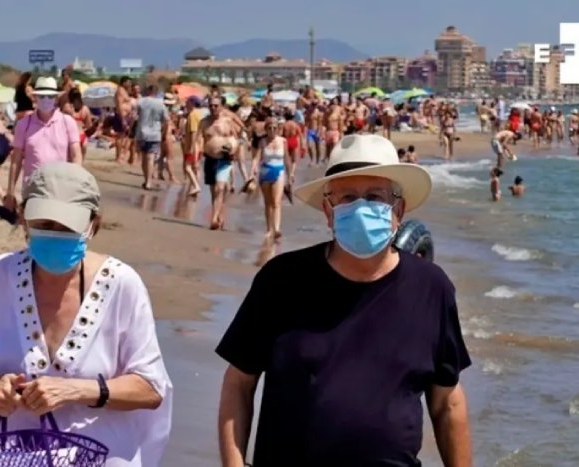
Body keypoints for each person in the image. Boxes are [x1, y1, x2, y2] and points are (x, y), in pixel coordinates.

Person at [216, 134, 472, 466]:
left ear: (398, 210)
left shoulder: (431, 287)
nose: (361, 208)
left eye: (375, 197)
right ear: (328, 210)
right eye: (348, 198)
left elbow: (447, 401)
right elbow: (238, 383)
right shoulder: (281, 280)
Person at [0, 162, 172, 467]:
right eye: (44, 224)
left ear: (93, 224)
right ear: (24, 219)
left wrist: (76, 390)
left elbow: (151, 389)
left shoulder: (121, 284)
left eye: (67, 226)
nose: (54, 234)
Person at [5, 76, 82, 213]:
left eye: (50, 96)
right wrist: (10, 192)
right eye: (42, 96)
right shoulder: (24, 124)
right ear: (35, 98)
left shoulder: (67, 122)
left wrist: (74, 183)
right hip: (33, 190)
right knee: (33, 225)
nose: (46, 100)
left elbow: (76, 155)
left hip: (61, 189)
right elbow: (16, 160)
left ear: (56, 98)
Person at [195, 96, 239, 230]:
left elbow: (236, 139)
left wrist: (233, 150)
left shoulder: (228, 122)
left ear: (221, 107)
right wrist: (197, 158)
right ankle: (219, 214)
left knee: (220, 188)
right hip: (210, 158)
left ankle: (213, 219)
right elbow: (198, 141)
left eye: (216, 105)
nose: (213, 108)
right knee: (214, 191)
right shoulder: (204, 122)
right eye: (211, 105)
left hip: (224, 158)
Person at [258, 117, 291, 241]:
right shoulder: (262, 142)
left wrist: (290, 175)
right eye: (269, 128)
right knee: (268, 203)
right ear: (266, 129)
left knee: (276, 202)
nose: (272, 130)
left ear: (278, 129)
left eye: (274, 128)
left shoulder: (283, 141)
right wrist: (252, 171)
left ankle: (277, 229)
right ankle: (269, 229)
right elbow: (256, 158)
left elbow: (287, 159)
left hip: (279, 171)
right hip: (265, 172)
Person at [135, 84, 169, 190]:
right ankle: (149, 182)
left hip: (142, 133)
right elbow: (166, 120)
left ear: (148, 91)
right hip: (155, 134)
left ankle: (146, 180)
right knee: (151, 158)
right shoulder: (161, 104)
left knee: (144, 157)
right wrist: (164, 133)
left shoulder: (141, 101)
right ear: (156, 92)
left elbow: (135, 116)